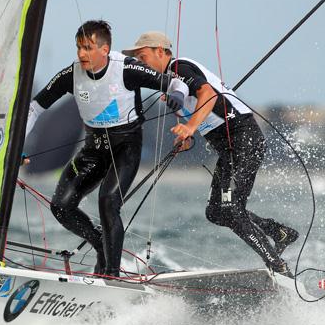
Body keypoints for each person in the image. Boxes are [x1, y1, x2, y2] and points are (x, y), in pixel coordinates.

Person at [122, 31, 298, 277]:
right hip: (229, 150)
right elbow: (195, 114)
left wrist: (190, 126)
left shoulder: (178, 67)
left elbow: (209, 94)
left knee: (232, 208)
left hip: (244, 140)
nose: (141, 63)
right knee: (216, 211)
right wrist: (187, 136)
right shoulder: (172, 86)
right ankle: (279, 232)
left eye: (143, 56)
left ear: (161, 51)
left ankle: (277, 264)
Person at [25, 20, 189, 277]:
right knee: (61, 206)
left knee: (108, 202)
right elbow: (35, 107)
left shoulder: (126, 68)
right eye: (79, 47)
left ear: (105, 49)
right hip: (94, 148)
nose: (81, 54)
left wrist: (177, 96)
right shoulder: (71, 74)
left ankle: (111, 274)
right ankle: (101, 245)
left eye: (88, 47)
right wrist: (17, 144)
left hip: (126, 146)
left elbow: (175, 83)